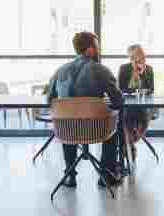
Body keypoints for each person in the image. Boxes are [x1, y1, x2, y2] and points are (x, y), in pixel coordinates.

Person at [47, 32, 123, 188]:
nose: (98, 50)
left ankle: (69, 176)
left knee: (67, 120)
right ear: (89, 49)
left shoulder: (60, 70)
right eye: (97, 47)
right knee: (115, 122)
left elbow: (50, 99)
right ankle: (106, 175)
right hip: (96, 130)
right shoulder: (101, 69)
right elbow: (118, 101)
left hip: (66, 131)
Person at [118, 44, 154, 161]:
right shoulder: (124, 68)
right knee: (126, 118)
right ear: (132, 57)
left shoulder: (148, 69)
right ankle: (130, 146)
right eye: (139, 53)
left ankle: (129, 144)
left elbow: (151, 89)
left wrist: (142, 74)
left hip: (143, 105)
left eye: (143, 53)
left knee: (144, 118)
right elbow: (120, 88)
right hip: (128, 105)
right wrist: (135, 90)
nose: (143, 55)